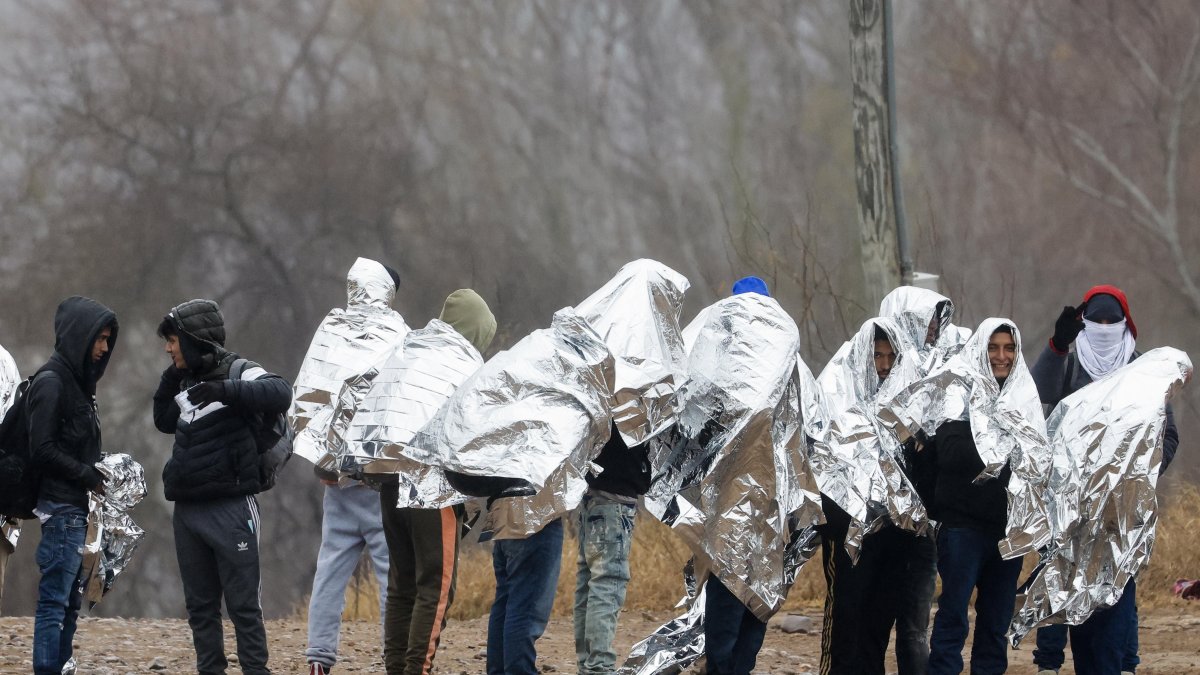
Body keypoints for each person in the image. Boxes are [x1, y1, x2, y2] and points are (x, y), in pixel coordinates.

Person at [1029, 285, 1178, 675]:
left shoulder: (1141, 370)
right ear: (1084, 324)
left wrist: (1139, 478)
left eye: (1114, 321)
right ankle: (1050, 662)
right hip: (1068, 507)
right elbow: (1035, 396)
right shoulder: (1071, 364)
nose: (1106, 328)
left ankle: (1123, 663)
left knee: (1116, 595)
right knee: (1061, 581)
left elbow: (1168, 435)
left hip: (1120, 511)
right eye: (1098, 321)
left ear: (1126, 323)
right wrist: (1057, 346)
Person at [154, 299, 291, 675]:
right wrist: (173, 375)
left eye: (173, 341)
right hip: (188, 511)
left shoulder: (239, 369)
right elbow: (163, 420)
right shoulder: (185, 378)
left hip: (232, 509)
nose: (168, 348)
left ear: (193, 339)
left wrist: (226, 391)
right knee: (200, 608)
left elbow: (280, 392)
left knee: (244, 606)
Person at [382, 288, 496, 675]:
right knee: (436, 586)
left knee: (402, 584)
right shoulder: (463, 364)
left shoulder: (412, 350)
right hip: (433, 491)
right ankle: (417, 669)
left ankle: (396, 669)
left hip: (391, 480)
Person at [299, 259, 405, 675]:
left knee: (329, 572)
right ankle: (393, 659)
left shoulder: (330, 329)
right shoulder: (401, 335)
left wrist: (322, 461)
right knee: (389, 575)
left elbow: (309, 395)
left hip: (335, 479)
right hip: (379, 479)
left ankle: (318, 659)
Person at [817, 322, 936, 675]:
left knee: (879, 620)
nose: (884, 365)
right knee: (847, 619)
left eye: (890, 356)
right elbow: (822, 465)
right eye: (877, 356)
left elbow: (925, 466)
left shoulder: (911, 402)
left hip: (897, 536)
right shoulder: (841, 400)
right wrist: (840, 524)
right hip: (853, 533)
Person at [925, 321, 1037, 675]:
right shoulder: (958, 389)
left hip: (1008, 532)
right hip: (962, 527)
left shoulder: (1025, 396)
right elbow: (952, 452)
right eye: (993, 348)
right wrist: (1003, 444)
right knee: (953, 616)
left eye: (1009, 348)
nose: (1001, 356)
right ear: (979, 351)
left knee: (996, 625)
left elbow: (1037, 457)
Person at [29, 296, 117, 675]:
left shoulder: (80, 385)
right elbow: (42, 450)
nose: (104, 348)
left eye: (108, 340)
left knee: (68, 604)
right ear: (79, 336)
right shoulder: (52, 383)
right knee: (54, 604)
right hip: (61, 511)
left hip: (78, 513)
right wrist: (87, 476)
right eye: (98, 338)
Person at [574, 422, 651, 675]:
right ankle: (599, 667)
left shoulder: (603, 389)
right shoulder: (631, 396)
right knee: (608, 582)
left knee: (588, 582)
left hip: (591, 496)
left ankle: (588, 664)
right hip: (615, 502)